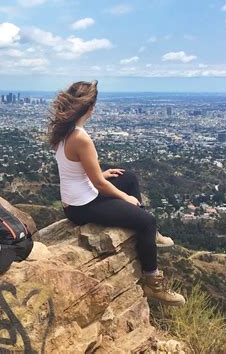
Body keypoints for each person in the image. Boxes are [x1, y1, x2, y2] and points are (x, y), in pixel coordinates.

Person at [48, 80, 185, 306]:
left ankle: (151, 238)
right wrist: (126, 198)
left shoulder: (62, 132)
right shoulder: (80, 137)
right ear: (90, 108)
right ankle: (153, 282)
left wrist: (101, 174)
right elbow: (99, 186)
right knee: (147, 221)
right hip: (82, 206)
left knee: (127, 177)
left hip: (76, 199)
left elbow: (74, 170)